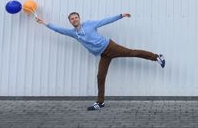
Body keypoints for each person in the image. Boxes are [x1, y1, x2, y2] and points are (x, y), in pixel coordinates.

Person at [36, 12, 165, 111]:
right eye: (72, 19)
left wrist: (121, 15)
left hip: (110, 47)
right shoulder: (73, 33)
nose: (74, 19)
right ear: (70, 22)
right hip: (103, 55)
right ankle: (100, 102)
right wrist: (44, 22)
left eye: (76, 17)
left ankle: (157, 57)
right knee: (100, 76)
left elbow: (105, 21)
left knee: (132, 52)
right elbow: (57, 29)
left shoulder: (90, 24)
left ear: (79, 18)